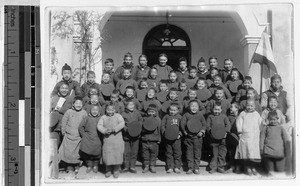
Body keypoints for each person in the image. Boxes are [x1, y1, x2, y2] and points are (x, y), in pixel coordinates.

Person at [58, 97, 88, 174]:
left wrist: (84, 135)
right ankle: (67, 166)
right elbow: (64, 122)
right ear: (73, 104)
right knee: (67, 153)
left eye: (80, 104)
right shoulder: (69, 112)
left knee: (76, 153)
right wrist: (63, 132)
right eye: (76, 103)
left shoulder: (84, 113)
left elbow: (85, 124)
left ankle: (75, 166)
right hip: (68, 136)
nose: (78, 105)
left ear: (82, 105)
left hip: (78, 137)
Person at [97, 103, 125, 178]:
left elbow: (122, 123)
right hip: (107, 139)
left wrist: (114, 129)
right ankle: (108, 170)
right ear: (106, 110)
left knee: (117, 154)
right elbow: (99, 126)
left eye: (112, 110)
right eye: (108, 110)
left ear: (114, 110)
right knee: (108, 155)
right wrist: (104, 130)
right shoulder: (103, 117)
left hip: (117, 139)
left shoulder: (118, 116)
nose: (110, 111)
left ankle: (116, 170)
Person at [235, 99, 262, 176]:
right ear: (245, 106)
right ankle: (247, 167)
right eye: (248, 105)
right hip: (245, 137)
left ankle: (253, 167)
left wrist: (264, 124)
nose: (250, 107)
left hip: (254, 137)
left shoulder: (256, 114)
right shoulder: (243, 114)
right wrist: (239, 132)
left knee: (253, 153)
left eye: (251, 106)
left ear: (255, 106)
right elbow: (239, 123)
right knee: (246, 152)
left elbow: (260, 123)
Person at [181, 100, 207, 174]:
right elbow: (182, 124)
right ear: (189, 107)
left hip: (198, 138)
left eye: (196, 106)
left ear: (198, 107)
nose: (194, 108)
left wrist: (202, 132)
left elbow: (204, 124)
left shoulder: (200, 115)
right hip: (189, 137)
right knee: (189, 152)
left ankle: (196, 168)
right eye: (192, 106)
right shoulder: (186, 115)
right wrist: (185, 132)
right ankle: (190, 167)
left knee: (197, 152)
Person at [260, 111, 290, 176]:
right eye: (271, 119)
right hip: (268, 153)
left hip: (279, 153)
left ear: (277, 119)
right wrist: (261, 149)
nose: (273, 121)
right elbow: (262, 139)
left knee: (280, 170)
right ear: (268, 119)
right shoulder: (266, 128)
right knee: (270, 171)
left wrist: (287, 150)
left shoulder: (281, 128)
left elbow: (286, 139)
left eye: (274, 119)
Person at [206, 103, 231, 174]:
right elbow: (208, 126)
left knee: (222, 154)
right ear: (212, 109)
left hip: (223, 139)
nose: (217, 111)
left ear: (221, 110)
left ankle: (221, 167)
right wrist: (211, 132)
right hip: (213, 139)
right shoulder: (210, 117)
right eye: (215, 109)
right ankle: (213, 167)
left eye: (218, 109)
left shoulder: (224, 117)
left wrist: (226, 132)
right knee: (214, 154)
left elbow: (228, 125)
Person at [121, 98, 143, 173]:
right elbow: (122, 123)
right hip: (126, 136)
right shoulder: (123, 114)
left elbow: (140, 120)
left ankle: (132, 166)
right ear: (125, 106)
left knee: (134, 151)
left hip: (136, 136)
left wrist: (137, 126)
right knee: (126, 152)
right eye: (130, 105)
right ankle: (126, 166)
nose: (132, 106)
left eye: (133, 104)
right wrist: (126, 129)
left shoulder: (137, 113)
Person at [78, 105, 102, 173]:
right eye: (93, 110)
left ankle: (95, 166)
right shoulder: (86, 118)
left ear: (99, 111)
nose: (94, 112)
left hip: (98, 139)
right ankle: (89, 165)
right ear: (90, 111)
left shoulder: (101, 118)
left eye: (96, 110)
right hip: (88, 139)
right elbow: (80, 127)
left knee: (97, 154)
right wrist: (84, 135)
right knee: (88, 154)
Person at [50, 83, 73, 148]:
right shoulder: (54, 98)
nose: (64, 90)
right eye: (62, 88)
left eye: (66, 88)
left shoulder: (70, 99)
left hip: (66, 127)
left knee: (65, 147)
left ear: (68, 90)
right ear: (59, 89)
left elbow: (72, 112)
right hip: (55, 127)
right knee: (54, 146)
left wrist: (61, 109)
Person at [161, 103, 182, 174]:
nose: (172, 112)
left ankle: (177, 167)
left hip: (177, 139)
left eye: (174, 110)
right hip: (168, 138)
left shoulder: (179, 117)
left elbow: (182, 127)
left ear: (178, 111)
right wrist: (164, 133)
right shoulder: (166, 117)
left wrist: (180, 134)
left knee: (177, 153)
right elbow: (162, 126)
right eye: (171, 110)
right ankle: (170, 167)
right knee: (169, 152)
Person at [141, 104, 161, 173]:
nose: (151, 113)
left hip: (154, 140)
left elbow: (159, 130)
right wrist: (145, 130)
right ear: (147, 112)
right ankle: (146, 166)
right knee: (145, 154)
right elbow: (141, 129)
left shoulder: (158, 120)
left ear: (155, 112)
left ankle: (152, 165)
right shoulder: (144, 119)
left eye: (153, 112)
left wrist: (159, 139)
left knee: (154, 154)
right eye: (150, 112)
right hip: (145, 140)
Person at [227, 102, 241, 173]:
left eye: (232, 107)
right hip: (231, 137)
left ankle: (238, 166)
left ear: (237, 109)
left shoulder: (241, 116)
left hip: (239, 137)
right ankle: (231, 166)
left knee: (238, 152)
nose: (230, 108)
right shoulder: (229, 117)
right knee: (231, 152)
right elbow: (227, 127)